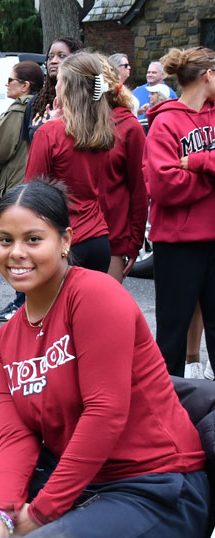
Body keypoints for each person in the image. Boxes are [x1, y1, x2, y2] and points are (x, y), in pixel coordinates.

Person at [0, 179, 209, 538]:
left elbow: (105, 413)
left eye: (33, 239)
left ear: (65, 241)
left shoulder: (95, 296)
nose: (17, 253)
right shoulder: (6, 342)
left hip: (154, 488)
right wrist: (1, 514)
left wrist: (41, 512)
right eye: (5, 240)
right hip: (75, 481)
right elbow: (17, 435)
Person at [143, 46, 215, 378]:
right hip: (178, 243)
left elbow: (182, 176)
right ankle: (166, 408)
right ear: (208, 76)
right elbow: (163, 185)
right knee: (172, 333)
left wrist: (199, 163)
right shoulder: (166, 121)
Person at [24, 52, 114, 273]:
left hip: (65, 238)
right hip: (98, 238)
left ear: (68, 88)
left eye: (59, 82)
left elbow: (32, 191)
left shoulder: (49, 133)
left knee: (51, 307)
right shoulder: (104, 132)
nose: (55, 87)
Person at [0, 61, 45, 322]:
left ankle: (22, 303)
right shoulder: (41, 105)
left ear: (25, 85)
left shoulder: (19, 108)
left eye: (10, 80)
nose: (6, 85)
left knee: (17, 246)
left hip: (17, 183)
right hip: (33, 182)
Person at [101, 59, 147, 284]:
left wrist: (135, 241)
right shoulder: (66, 126)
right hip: (68, 237)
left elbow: (138, 187)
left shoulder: (129, 126)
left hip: (112, 238)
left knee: (104, 310)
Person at [26, 36, 83, 143]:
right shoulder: (35, 103)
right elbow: (28, 149)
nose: (53, 61)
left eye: (61, 56)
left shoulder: (85, 101)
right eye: (50, 57)